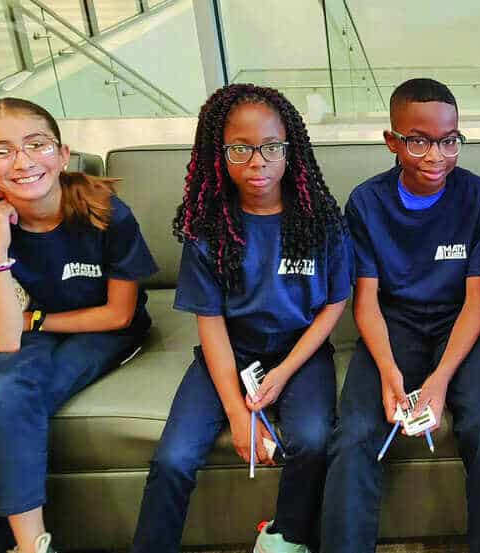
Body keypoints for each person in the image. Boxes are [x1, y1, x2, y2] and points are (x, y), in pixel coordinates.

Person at [131, 84, 351, 553]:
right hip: (231, 353)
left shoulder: (322, 222)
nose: (257, 161)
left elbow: (334, 304)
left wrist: (284, 372)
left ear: (290, 149)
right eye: (240, 149)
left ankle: (286, 538)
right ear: (220, 154)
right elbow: (210, 324)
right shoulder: (209, 231)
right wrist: (238, 413)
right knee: (173, 458)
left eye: (271, 147)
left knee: (313, 440)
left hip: (300, 354)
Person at [0, 98, 158, 553]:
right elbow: (5, 340)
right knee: (2, 394)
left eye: (36, 144)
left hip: (103, 330)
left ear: (62, 155)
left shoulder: (106, 210)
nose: (23, 161)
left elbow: (119, 315)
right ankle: (32, 545)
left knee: (13, 407)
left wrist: (34, 319)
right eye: (1, 151)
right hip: (23, 334)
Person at [321, 78, 480, 553]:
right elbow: (366, 302)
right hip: (396, 324)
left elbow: (477, 301)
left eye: (449, 141)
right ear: (392, 141)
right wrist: (390, 372)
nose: (436, 155)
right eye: (419, 141)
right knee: (354, 433)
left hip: (463, 324)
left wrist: (439, 380)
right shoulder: (367, 203)